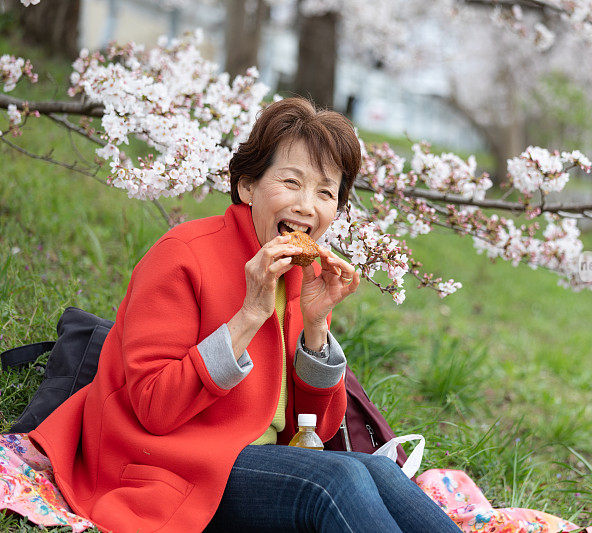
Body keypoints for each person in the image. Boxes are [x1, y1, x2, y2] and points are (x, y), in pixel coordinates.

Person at [28, 97, 461, 533]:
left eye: (326, 192)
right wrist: (248, 315)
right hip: (170, 465)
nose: (307, 205)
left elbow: (317, 430)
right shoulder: (182, 256)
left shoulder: (300, 275)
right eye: (291, 182)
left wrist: (314, 328)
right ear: (248, 185)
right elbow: (154, 409)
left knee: (381, 471)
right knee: (337, 479)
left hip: (257, 462)